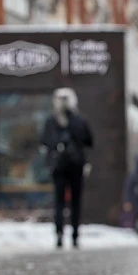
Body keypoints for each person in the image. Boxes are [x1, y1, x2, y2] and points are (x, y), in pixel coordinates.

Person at [41, 88, 94, 249]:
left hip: (61, 166)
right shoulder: (79, 119)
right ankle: (74, 235)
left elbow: (45, 142)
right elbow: (89, 141)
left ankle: (61, 234)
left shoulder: (52, 120)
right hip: (74, 166)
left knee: (59, 202)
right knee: (74, 202)